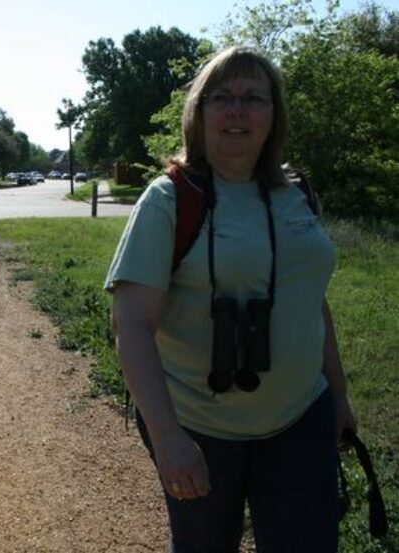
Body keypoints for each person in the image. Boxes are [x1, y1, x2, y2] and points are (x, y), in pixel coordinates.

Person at [104, 45, 357, 552]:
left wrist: (339, 396)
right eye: (222, 97)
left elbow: (311, 301)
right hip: (202, 427)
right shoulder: (169, 199)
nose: (237, 110)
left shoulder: (297, 191)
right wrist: (169, 438)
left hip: (301, 417)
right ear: (199, 113)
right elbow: (130, 325)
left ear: (273, 114)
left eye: (254, 98)